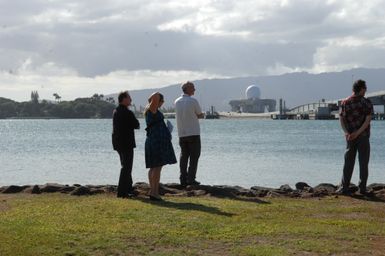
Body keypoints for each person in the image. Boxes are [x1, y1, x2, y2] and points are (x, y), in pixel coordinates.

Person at [337, 79, 374, 196]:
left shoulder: (345, 102)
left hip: (350, 137)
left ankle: (344, 187)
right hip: (362, 136)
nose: (366, 90)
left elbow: (341, 119)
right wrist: (358, 133)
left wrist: (347, 132)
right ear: (361, 89)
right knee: (363, 163)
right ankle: (362, 188)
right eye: (365, 88)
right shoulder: (366, 102)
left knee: (348, 162)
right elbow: (367, 121)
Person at [144, 92, 177, 200]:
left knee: (153, 167)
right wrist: (157, 94)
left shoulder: (152, 110)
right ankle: (154, 192)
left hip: (155, 140)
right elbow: (154, 97)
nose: (162, 103)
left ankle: (152, 190)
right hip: (156, 141)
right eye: (161, 101)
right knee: (157, 167)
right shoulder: (152, 110)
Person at [174, 82, 205, 186]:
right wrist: (200, 115)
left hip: (182, 133)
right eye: (193, 88)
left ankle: (183, 178)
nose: (194, 90)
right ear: (187, 89)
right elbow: (200, 115)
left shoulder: (176, 101)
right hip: (193, 132)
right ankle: (191, 179)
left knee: (184, 156)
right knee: (194, 156)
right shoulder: (193, 101)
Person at [112, 91, 140, 198]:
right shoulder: (127, 112)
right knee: (126, 167)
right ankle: (122, 191)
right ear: (123, 99)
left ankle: (128, 188)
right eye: (129, 98)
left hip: (118, 143)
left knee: (125, 165)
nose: (131, 100)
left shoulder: (116, 111)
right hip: (126, 143)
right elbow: (136, 125)